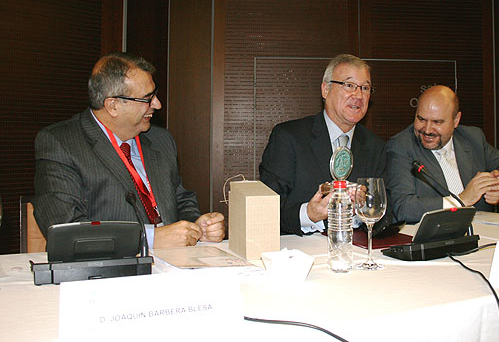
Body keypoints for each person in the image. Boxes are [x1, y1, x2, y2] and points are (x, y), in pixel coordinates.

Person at [33, 52, 225, 248]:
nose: (157, 105)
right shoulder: (62, 143)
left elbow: (181, 199)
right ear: (113, 105)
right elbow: (67, 232)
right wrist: (149, 239)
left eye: (155, 94)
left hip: (176, 263)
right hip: (112, 272)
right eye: (147, 99)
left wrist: (197, 226)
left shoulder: (161, 140)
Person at [259, 54, 386, 235]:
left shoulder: (376, 147)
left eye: (365, 88)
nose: (358, 95)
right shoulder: (288, 137)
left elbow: (388, 212)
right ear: (325, 90)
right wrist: (308, 214)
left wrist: (364, 208)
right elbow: (264, 208)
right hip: (300, 253)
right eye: (349, 85)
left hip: (356, 253)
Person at [385, 85, 499, 223]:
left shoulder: (472, 138)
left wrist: (496, 185)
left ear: (456, 120)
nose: (427, 130)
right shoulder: (401, 145)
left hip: (482, 229)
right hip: (434, 234)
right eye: (421, 119)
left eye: (437, 122)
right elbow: (404, 208)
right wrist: (461, 200)